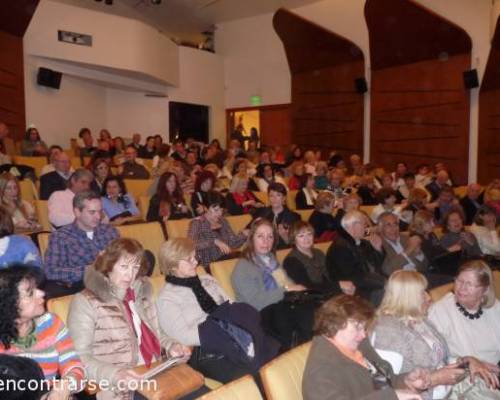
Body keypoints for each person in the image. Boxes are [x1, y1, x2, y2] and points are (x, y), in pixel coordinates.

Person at [67, 238, 202, 400]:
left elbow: (159, 335)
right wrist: (116, 375)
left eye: (135, 267)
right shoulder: (85, 302)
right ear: (108, 266)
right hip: (122, 386)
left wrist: (171, 346)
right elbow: (78, 358)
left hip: (158, 373)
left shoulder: (142, 294)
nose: (130, 274)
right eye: (124, 267)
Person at [157, 237, 278, 384]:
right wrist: (220, 329)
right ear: (173, 264)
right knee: (249, 375)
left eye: (195, 256)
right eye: (189, 259)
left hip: (233, 335)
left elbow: (231, 306)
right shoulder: (167, 298)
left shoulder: (207, 279)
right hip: (204, 349)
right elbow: (182, 336)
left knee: (273, 356)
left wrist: (232, 327)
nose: (195, 262)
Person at [372, 271, 475, 400]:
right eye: (422, 293)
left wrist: (466, 362)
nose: (429, 297)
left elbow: (441, 361)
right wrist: (435, 379)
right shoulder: (387, 331)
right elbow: (385, 385)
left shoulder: (419, 320)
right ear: (408, 297)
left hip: (453, 392)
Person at [302, 294, 428, 400]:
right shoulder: (321, 368)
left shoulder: (358, 345)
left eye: (364, 327)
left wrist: (406, 381)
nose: (363, 334)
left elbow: (383, 381)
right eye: (357, 327)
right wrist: (392, 396)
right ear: (334, 324)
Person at [0, 265, 85, 399]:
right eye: (30, 293)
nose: (42, 293)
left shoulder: (51, 323)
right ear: (9, 304)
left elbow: (74, 365)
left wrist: (65, 386)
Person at [231, 219, 313, 349]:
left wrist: (298, 290)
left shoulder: (270, 259)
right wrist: (287, 289)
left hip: (280, 307)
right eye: (260, 236)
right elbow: (256, 302)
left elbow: (285, 281)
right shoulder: (243, 267)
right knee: (296, 318)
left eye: (270, 236)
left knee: (310, 307)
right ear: (251, 239)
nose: (266, 241)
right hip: (259, 315)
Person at [429, 260, 500, 398]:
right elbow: (433, 357)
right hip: (468, 379)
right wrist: (466, 362)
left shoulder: (495, 307)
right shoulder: (440, 310)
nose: (461, 288)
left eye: (469, 284)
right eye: (459, 281)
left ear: (485, 289)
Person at [44, 190, 119, 299]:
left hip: (113, 280)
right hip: (82, 285)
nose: (98, 217)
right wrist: (91, 269)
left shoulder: (110, 231)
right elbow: (51, 271)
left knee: (144, 256)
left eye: (100, 211)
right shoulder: (61, 237)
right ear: (77, 212)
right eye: (92, 212)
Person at [326, 210, 386, 305]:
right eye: (364, 225)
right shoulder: (340, 247)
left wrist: (378, 250)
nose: (366, 229)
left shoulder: (362, 243)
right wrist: (383, 283)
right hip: (353, 290)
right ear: (354, 226)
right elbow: (352, 277)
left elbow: (377, 266)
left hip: (368, 283)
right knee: (389, 292)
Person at [283, 221, 355, 296]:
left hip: (330, 291)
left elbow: (332, 274)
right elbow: (307, 288)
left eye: (309, 234)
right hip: (312, 298)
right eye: (301, 236)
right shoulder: (291, 261)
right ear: (294, 240)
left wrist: (345, 286)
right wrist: (338, 286)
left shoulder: (319, 253)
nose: (306, 238)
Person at [188, 191, 247, 267]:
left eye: (221, 210)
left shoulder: (223, 221)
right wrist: (214, 241)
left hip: (227, 260)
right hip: (210, 264)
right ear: (205, 208)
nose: (220, 213)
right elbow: (190, 245)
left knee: (248, 256)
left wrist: (244, 235)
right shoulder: (197, 223)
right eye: (216, 210)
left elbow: (233, 243)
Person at [252, 182, 301, 249]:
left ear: (284, 198)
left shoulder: (294, 217)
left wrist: (285, 237)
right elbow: (249, 231)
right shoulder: (261, 212)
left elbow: (299, 242)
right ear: (268, 198)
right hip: (262, 249)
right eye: (271, 195)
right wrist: (254, 226)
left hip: (283, 251)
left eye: (278, 195)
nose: (274, 198)